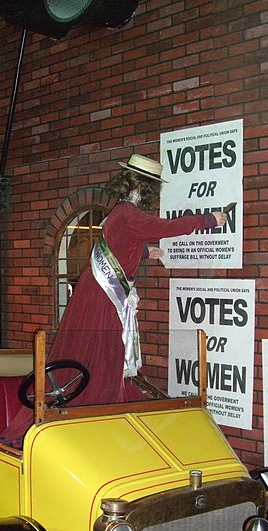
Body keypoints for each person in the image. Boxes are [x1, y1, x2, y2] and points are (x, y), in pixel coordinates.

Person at [47, 153, 227, 405]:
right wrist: (208, 220)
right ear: (144, 187)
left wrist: (145, 252)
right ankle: (97, 403)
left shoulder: (119, 212)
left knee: (98, 350)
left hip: (96, 290)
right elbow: (166, 228)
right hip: (104, 296)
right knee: (107, 351)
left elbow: (120, 243)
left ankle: (90, 398)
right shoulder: (130, 215)